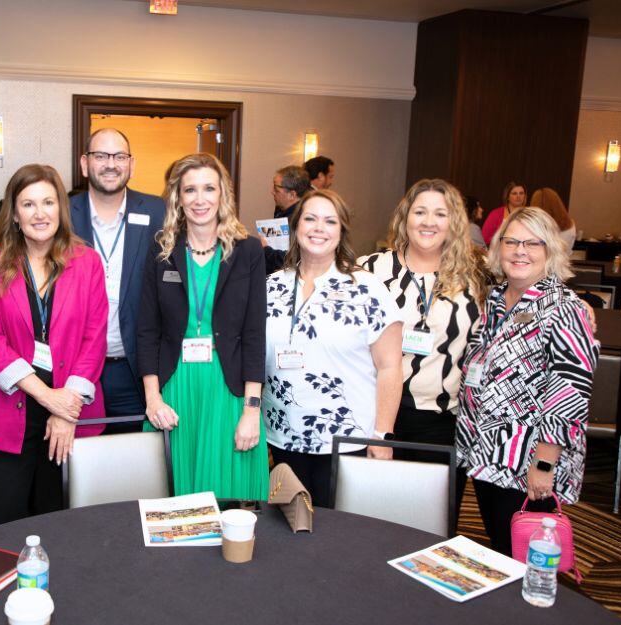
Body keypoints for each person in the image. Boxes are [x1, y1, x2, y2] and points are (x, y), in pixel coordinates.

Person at [0, 164, 108, 525]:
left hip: (70, 412)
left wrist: (65, 409)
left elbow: (94, 338)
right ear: (14, 213)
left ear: (61, 209)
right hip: (7, 410)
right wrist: (48, 397)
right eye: (28, 204)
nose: (40, 213)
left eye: (48, 202)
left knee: (61, 520)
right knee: (7, 521)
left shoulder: (88, 262)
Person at [457, 207, 598, 556]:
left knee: (524, 552)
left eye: (533, 243)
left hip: (529, 463)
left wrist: (544, 464)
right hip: (490, 454)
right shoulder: (495, 300)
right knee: (501, 546)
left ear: (550, 251)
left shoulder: (565, 307)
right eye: (512, 241)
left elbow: (570, 391)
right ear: (498, 247)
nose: (521, 251)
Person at [137, 152, 268, 501]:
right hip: (175, 390)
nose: (200, 199)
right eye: (190, 190)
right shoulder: (160, 251)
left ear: (223, 194)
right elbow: (147, 331)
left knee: (227, 500)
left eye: (209, 188)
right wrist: (153, 399)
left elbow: (255, 336)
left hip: (227, 392)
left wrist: (252, 412)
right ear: (178, 198)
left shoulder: (248, 252)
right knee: (173, 504)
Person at [265, 189, 403, 507]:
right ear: (296, 226)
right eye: (310, 219)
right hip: (282, 434)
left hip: (347, 438)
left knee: (338, 533)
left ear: (341, 232)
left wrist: (383, 435)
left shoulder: (367, 289)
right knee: (289, 524)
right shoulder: (271, 286)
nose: (318, 228)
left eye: (330, 221)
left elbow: (391, 366)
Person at [359, 180, 489, 505]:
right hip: (373, 415)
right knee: (372, 516)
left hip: (442, 421)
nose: (429, 221)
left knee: (431, 523)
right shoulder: (369, 270)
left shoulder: (476, 276)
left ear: (454, 222)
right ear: (405, 218)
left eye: (440, 214)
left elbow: (523, 285)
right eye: (420, 212)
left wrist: (576, 302)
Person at [69, 128, 165, 433]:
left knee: (137, 468)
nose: (111, 164)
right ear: (85, 164)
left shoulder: (157, 212)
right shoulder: (62, 216)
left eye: (119, 156)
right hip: (76, 370)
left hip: (135, 371)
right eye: (101, 156)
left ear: (131, 164)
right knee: (80, 467)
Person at [263, 165, 311, 274]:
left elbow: (294, 259)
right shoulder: (282, 211)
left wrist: (265, 250)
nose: (272, 192)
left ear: (292, 195)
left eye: (276, 188)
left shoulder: (303, 220)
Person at [481, 181, 527, 246]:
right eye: (514, 193)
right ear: (507, 197)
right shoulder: (496, 214)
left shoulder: (530, 214)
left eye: (521, 193)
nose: (518, 196)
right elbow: (484, 238)